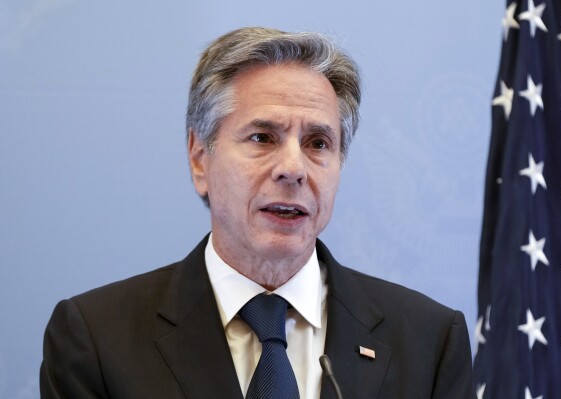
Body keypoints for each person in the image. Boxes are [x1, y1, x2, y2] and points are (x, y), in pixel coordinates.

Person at [40, 27, 474, 398]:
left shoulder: (428, 340)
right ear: (199, 158)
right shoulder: (97, 338)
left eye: (318, 143)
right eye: (263, 137)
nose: (292, 169)